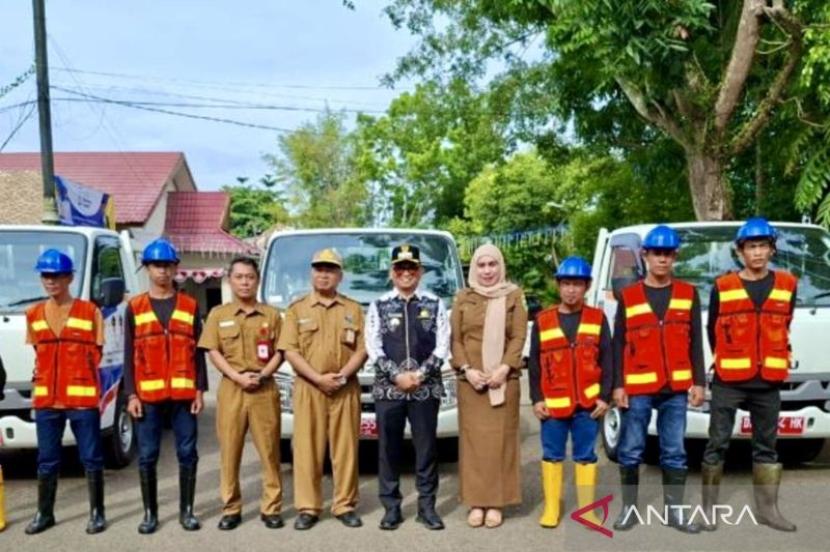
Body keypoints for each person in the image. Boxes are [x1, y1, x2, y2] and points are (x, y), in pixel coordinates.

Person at [700, 217, 798, 532]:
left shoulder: (787, 284)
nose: (757, 252)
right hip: (729, 380)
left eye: (762, 246)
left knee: (767, 446)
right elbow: (711, 329)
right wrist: (733, 357)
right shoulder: (722, 286)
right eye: (751, 247)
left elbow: (785, 325)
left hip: (767, 381)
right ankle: (709, 510)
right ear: (740, 251)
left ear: (772, 249)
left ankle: (768, 511)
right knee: (717, 443)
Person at [612, 225, 705, 533]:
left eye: (668, 254)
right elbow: (618, 343)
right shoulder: (628, 296)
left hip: (676, 389)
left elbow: (695, 342)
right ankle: (628, 510)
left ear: (674, 257)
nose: (662, 259)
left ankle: (675, 512)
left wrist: (699, 382)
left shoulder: (689, 293)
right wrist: (618, 385)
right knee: (631, 448)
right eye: (657, 254)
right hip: (638, 387)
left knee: (675, 451)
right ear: (645, 255)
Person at [277, 248, 367, 530]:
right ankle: (309, 507)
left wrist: (341, 376)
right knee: (306, 450)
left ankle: (344, 505)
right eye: (319, 269)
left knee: (346, 450)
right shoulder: (297, 309)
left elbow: (364, 350)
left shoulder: (353, 309)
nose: (323, 274)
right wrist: (318, 378)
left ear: (340, 275)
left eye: (330, 270)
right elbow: (290, 351)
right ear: (312, 273)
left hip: (344, 387)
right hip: (308, 388)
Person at [125, 238, 207, 534]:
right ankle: (150, 514)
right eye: (157, 265)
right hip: (147, 396)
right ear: (147, 268)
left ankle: (187, 511)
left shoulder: (190, 305)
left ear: (175, 269)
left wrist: (200, 389)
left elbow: (199, 351)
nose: (162, 271)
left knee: (188, 453)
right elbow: (127, 354)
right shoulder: (134, 307)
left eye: (167, 265)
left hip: (184, 396)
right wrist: (130, 394)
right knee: (147, 454)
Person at [365, 244, 450, 531]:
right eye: (400, 268)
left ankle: (427, 507)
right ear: (392, 272)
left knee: (426, 449)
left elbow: (443, 346)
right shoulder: (378, 305)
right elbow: (373, 346)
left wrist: (421, 375)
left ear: (420, 271)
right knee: (389, 450)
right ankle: (391, 508)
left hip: (425, 389)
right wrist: (397, 376)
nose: (406, 273)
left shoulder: (435, 303)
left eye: (411, 268)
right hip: (389, 390)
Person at [24, 249, 107, 535]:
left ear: (69, 277)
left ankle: (97, 513)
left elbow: (97, 351)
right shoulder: (33, 314)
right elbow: (39, 352)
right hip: (47, 400)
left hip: (82, 399)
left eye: (57, 275)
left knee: (92, 458)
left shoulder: (90, 311)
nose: (51, 281)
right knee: (46, 459)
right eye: (46, 275)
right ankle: (44, 513)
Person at [198, 257, 283, 530]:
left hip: (263, 388)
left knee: (269, 451)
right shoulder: (218, 315)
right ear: (230, 280)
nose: (245, 282)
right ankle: (231, 508)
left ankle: (271, 508)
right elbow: (213, 350)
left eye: (250, 277)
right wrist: (236, 376)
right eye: (239, 277)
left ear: (257, 280)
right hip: (232, 388)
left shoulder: (271, 315)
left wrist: (264, 374)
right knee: (230, 450)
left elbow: (281, 351)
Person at [529, 256, 612, 529]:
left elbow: (608, 360)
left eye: (577, 284)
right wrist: (536, 399)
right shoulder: (543, 320)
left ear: (586, 286)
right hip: (553, 405)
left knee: (586, 456)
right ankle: (552, 508)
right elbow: (535, 364)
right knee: (552, 454)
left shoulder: (598, 319)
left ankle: (587, 511)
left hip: (588, 405)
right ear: (558, 285)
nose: (571, 290)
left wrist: (605, 397)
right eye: (566, 283)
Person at [450, 244, 527, 528]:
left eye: (492, 264)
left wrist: (504, 369)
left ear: (500, 266)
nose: (487, 271)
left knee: (501, 443)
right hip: (471, 383)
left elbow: (519, 337)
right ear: (474, 269)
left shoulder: (514, 296)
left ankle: (496, 502)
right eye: (481, 265)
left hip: (503, 382)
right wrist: (467, 370)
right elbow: (455, 340)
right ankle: (477, 502)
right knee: (473, 445)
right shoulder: (462, 297)